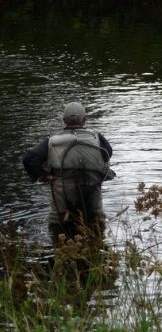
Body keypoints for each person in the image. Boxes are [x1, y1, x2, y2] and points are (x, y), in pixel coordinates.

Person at [23, 102, 115, 245]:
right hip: (93, 211)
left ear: (64, 120)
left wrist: (44, 176)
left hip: (61, 214)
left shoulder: (52, 142)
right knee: (96, 245)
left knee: (60, 245)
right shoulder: (97, 139)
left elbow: (29, 159)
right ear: (84, 120)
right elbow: (107, 154)